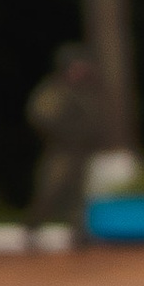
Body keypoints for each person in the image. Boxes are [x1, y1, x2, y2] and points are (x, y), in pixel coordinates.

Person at [24, 42, 105, 241]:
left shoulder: (86, 92)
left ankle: (79, 232)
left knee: (79, 194)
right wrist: (64, 129)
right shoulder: (55, 90)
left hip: (81, 149)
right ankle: (33, 227)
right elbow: (40, 115)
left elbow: (96, 117)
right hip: (60, 149)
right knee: (50, 189)